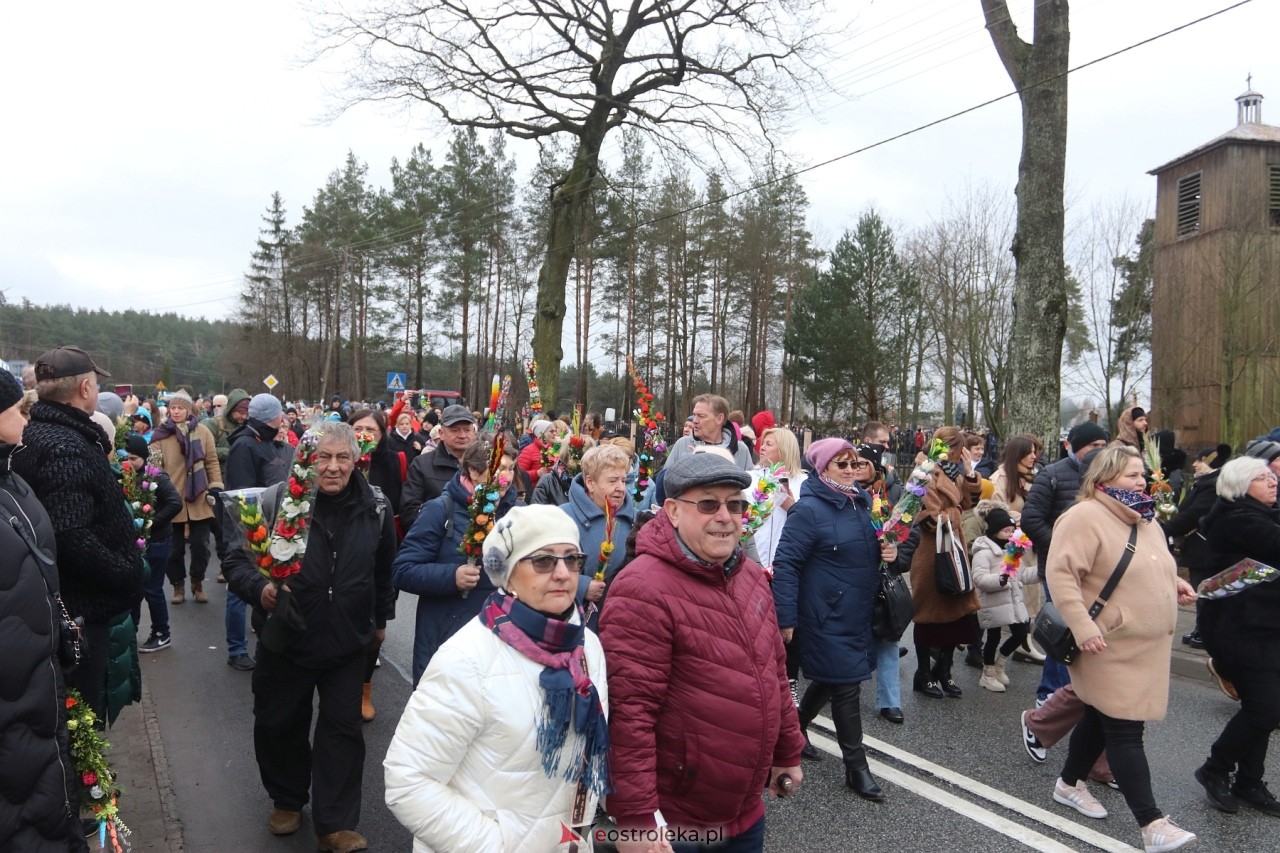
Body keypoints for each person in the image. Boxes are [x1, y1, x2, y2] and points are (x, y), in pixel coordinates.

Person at [600, 452, 804, 851]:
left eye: (736, 504)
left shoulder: (748, 573)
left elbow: (774, 672)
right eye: (708, 504)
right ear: (673, 511)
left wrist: (787, 750)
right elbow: (629, 714)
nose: (725, 516)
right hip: (676, 821)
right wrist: (636, 816)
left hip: (745, 812)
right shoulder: (642, 588)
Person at [384, 505, 609, 850]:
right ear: (508, 574)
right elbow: (408, 781)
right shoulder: (468, 658)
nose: (564, 573)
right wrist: (497, 846)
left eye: (572, 559)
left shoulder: (587, 646)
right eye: (544, 561)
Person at [223, 422, 396, 853]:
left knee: (342, 731)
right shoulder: (277, 500)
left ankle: (335, 824)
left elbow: (382, 571)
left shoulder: (375, 505)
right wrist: (260, 591)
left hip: (347, 643)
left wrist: (380, 622)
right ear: (306, 459)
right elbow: (236, 560)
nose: (333, 468)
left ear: (356, 460)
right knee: (279, 723)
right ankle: (286, 798)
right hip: (287, 639)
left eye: (342, 458)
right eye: (323, 457)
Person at [1046, 444, 1198, 852]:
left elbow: (1155, 565)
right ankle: (1151, 824)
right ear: (1105, 477)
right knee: (1127, 730)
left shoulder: (1144, 517)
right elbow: (1062, 577)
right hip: (1106, 645)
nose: (1141, 481)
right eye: (1132, 475)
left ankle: (1068, 783)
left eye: (1142, 475)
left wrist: (1174, 584)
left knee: (1100, 716)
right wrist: (1082, 627)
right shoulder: (1083, 517)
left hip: (1145, 648)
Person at [13, 346, 145, 721]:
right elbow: (70, 533)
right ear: (85, 387)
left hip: (63, 607)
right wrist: (124, 572)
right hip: (80, 612)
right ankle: (85, 781)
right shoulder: (67, 447)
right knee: (82, 718)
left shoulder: (40, 432)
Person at [772, 438, 898, 801]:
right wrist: (786, 617)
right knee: (846, 687)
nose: (850, 469)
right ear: (822, 468)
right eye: (841, 463)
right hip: (823, 615)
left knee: (832, 681)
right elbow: (787, 564)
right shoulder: (808, 510)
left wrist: (890, 553)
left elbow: (874, 555)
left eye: (853, 463)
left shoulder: (862, 505)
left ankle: (793, 732)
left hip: (857, 613)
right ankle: (857, 768)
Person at [0, 369, 91, 853]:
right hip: (15, 707)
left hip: (39, 690)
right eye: (15, 408)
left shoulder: (11, 478)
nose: (25, 416)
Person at [1192, 457, 1280, 817]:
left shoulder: (1260, 514)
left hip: (1264, 628)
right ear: (1242, 486)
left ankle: (1249, 782)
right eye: (1264, 478)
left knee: (1263, 707)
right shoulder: (1238, 519)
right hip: (1238, 630)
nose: (1273, 482)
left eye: (1273, 476)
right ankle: (1215, 769)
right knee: (1265, 709)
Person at [393, 438, 520, 685]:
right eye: (498, 469)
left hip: (500, 638)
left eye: (511, 468)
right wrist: (452, 577)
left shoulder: (518, 512)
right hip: (448, 637)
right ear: (473, 471)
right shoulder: (440, 509)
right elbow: (403, 570)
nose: (506, 477)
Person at [1021, 421, 1110, 704]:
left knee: (1088, 633)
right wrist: (1064, 545)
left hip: (1097, 573)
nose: (1099, 451)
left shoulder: (1107, 477)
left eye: (1102, 446)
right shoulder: (1052, 475)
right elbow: (1031, 519)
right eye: (1093, 446)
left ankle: (1082, 692)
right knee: (1064, 632)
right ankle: (1051, 695)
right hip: (1060, 569)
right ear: (1073, 446)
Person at [908, 425, 983, 699]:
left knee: (957, 613)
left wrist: (971, 473)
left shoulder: (954, 474)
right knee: (929, 616)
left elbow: (969, 502)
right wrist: (954, 513)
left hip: (955, 550)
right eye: (952, 449)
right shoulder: (924, 472)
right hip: (932, 554)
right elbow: (926, 518)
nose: (953, 455)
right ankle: (924, 673)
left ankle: (945, 669)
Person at [222, 393, 295, 672]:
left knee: (262, 587)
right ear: (271, 417)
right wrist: (246, 532)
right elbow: (242, 494)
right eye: (279, 415)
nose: (283, 420)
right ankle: (236, 649)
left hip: (268, 525)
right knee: (238, 591)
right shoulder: (245, 445)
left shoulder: (263, 440)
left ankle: (258, 644)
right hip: (248, 527)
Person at [350, 408, 412, 720]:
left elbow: (401, 503)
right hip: (347, 555)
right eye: (357, 428)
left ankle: (364, 688)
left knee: (376, 633)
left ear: (381, 433)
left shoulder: (394, 460)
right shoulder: (339, 462)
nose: (364, 435)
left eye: (370, 430)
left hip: (381, 550)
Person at [151, 390, 223, 605]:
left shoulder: (203, 432)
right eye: (173, 408)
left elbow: (211, 461)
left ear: (190, 410)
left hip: (199, 497)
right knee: (173, 550)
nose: (176, 411)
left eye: (181, 408)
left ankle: (197, 582)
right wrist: (160, 492)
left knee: (200, 546)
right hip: (172, 500)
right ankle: (178, 585)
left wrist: (215, 485)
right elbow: (154, 467)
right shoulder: (160, 435)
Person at [559, 443, 635, 630]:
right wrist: (582, 586)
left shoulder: (634, 521)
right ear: (590, 483)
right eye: (612, 481)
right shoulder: (562, 518)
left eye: (623, 481)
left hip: (620, 623)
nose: (620, 488)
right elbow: (547, 567)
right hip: (572, 621)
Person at [1163, 444, 1231, 649]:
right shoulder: (1206, 482)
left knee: (1205, 589)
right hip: (1199, 546)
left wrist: (1166, 527)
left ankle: (1206, 631)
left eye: (1200, 460)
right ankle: (1201, 628)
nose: (1194, 464)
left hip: (1204, 546)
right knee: (1202, 589)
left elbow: (1193, 514)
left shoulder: (1212, 485)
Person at [123, 434, 182, 654]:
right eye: (126, 458)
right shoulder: (128, 476)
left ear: (145, 458)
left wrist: (150, 523)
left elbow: (175, 503)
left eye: (134, 458)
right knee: (137, 589)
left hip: (156, 541)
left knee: (152, 589)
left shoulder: (156, 478)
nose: (130, 463)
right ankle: (133, 631)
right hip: (138, 542)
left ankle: (161, 633)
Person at [971, 506, 1036, 693]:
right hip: (992, 603)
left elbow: (1022, 574)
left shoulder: (1012, 551)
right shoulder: (983, 552)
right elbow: (980, 578)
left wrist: (1041, 573)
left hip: (1012, 602)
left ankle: (1000, 663)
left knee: (1022, 631)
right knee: (993, 637)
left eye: (1011, 530)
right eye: (1005, 530)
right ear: (994, 530)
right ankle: (988, 673)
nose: (1009, 534)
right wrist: (1000, 580)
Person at [401, 404, 477, 530]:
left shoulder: (486, 466)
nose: (462, 435)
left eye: (467, 430)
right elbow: (409, 513)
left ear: (474, 433)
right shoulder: (421, 465)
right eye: (455, 430)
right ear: (441, 433)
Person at [662, 394, 754, 470]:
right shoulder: (682, 444)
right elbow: (665, 483)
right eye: (694, 415)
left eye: (701, 416)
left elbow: (750, 489)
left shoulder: (741, 450)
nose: (695, 421)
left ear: (719, 418)